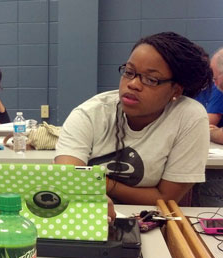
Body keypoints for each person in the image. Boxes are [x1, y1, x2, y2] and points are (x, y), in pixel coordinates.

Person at [55, 32, 213, 205]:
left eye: (151, 79)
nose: (133, 84)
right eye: (129, 72)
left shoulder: (189, 117)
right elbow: (68, 180)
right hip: (88, 220)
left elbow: (166, 198)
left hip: (151, 221)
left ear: (175, 91)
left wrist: (101, 183)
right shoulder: (90, 114)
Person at [192, 47, 223, 207]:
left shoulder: (216, 91)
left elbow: (203, 124)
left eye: (215, 77)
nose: (215, 83)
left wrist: (213, 132)